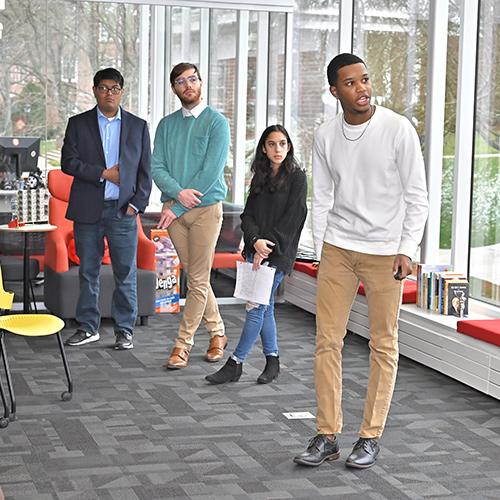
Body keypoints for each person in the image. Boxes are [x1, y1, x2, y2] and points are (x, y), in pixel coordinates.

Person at [293, 53, 429, 469]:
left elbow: (417, 196)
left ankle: (370, 436)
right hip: (338, 248)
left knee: (383, 344)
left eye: (365, 80)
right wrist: (320, 248)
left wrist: (408, 248)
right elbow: (323, 197)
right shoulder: (326, 134)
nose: (362, 88)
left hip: (386, 252)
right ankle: (328, 432)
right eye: (351, 83)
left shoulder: (397, 129)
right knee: (326, 341)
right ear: (335, 91)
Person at [205, 125, 307, 385]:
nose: (278, 149)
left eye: (283, 144)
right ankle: (272, 360)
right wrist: (254, 241)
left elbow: (293, 219)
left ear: (289, 147)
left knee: (256, 307)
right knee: (265, 306)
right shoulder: (260, 177)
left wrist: (267, 245)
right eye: (272, 144)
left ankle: (236, 362)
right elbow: (247, 215)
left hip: (279, 252)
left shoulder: (297, 177)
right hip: (256, 249)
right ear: (264, 147)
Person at [61, 67, 152, 350]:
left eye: (115, 88)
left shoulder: (138, 126)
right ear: (95, 90)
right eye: (103, 87)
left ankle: (124, 330)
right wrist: (102, 173)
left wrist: (136, 205)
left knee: (126, 272)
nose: (109, 93)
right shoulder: (78, 123)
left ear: (122, 92)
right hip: (88, 209)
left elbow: (145, 173)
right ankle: (89, 327)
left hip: (122, 210)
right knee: (88, 271)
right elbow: (68, 163)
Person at [152, 62, 230, 370]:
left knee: (197, 279)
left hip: (205, 212)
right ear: (174, 89)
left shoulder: (216, 122)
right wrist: (177, 197)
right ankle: (218, 333)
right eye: (181, 81)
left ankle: (182, 344)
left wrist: (180, 203)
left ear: (201, 82)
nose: (188, 85)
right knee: (199, 279)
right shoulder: (166, 125)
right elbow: (157, 166)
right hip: (174, 212)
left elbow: (210, 172)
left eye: (193, 79)